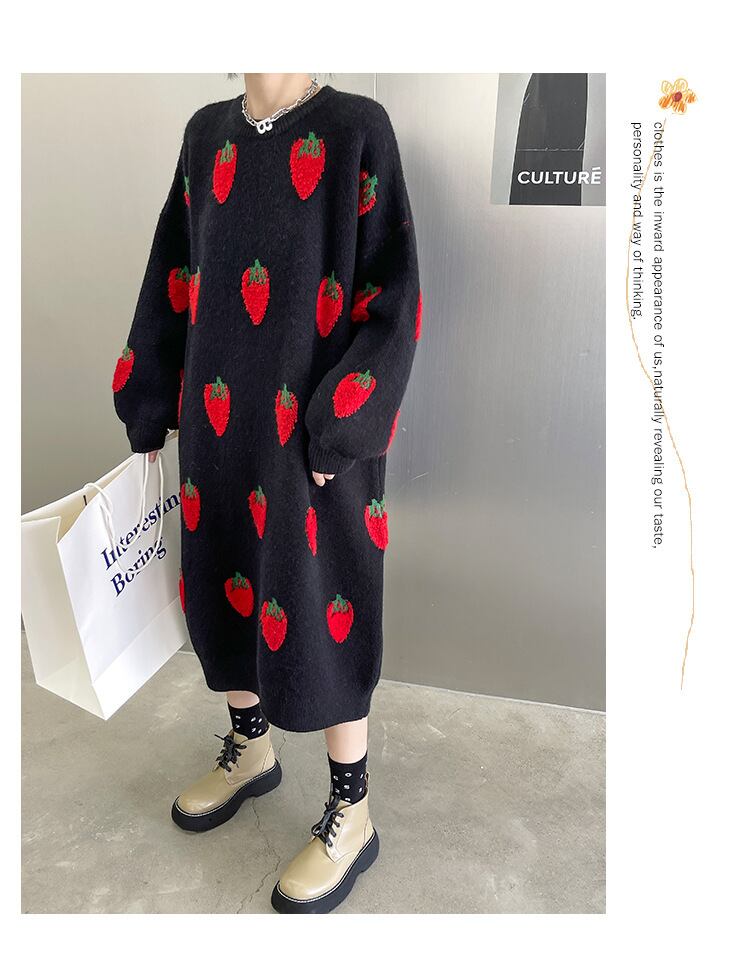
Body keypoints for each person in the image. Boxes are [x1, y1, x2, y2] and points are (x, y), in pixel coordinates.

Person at [112, 72, 422, 914]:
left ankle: (353, 809)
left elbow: (392, 294)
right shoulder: (205, 134)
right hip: (218, 420)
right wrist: (150, 400)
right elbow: (173, 272)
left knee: (324, 603)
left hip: (311, 438)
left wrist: (344, 422)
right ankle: (250, 747)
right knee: (225, 584)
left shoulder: (356, 128)